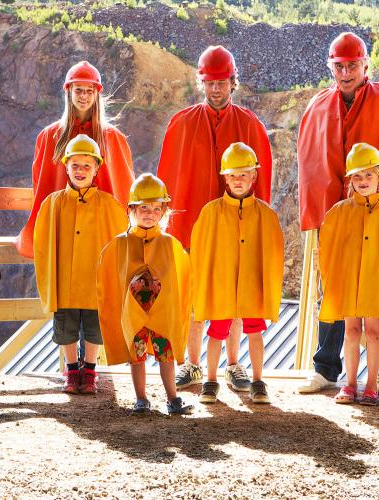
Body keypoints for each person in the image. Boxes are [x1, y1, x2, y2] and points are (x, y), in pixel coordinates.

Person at [296, 32, 379, 395]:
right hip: (340, 218)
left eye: (352, 65)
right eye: (339, 66)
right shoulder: (318, 106)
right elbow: (311, 165)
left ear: (366, 65)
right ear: (331, 67)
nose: (346, 72)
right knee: (336, 288)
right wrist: (319, 214)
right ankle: (325, 368)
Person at [156, 45, 274, 392]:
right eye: (210, 82)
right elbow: (168, 178)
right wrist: (168, 227)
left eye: (222, 82)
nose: (216, 89)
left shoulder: (250, 124)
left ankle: (234, 366)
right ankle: (191, 364)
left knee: (235, 298)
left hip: (238, 227)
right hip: (193, 227)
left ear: (233, 82)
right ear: (202, 83)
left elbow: (262, 182)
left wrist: (255, 228)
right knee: (196, 297)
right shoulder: (181, 123)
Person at [317, 143, 379, 405]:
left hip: (375, 283)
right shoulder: (339, 213)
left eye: (369, 174)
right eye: (357, 176)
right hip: (350, 281)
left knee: (373, 333)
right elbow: (329, 250)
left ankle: (371, 385)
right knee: (350, 331)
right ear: (350, 180)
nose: (363, 181)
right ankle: (350, 384)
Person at [33, 134, 128, 394]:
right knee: (66, 326)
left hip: (96, 282)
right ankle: (72, 370)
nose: (81, 170)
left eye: (87, 165)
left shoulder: (109, 205)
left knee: (95, 328)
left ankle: (90, 370)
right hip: (65, 280)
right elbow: (43, 245)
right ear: (66, 167)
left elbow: (121, 245)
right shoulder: (53, 203)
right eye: (75, 165)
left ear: (96, 168)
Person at [190, 143, 284, 404]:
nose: (238, 180)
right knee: (216, 332)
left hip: (251, 285)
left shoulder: (266, 214)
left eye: (243, 174)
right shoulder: (211, 212)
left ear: (254, 175)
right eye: (233, 175)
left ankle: (258, 381)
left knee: (255, 331)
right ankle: (210, 381)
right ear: (225, 178)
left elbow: (273, 254)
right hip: (221, 284)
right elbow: (201, 252)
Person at [97, 174, 194, 415]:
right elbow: (111, 282)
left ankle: (173, 399)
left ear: (163, 212)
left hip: (162, 315)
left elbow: (180, 282)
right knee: (136, 356)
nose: (150, 214)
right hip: (134, 316)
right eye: (144, 208)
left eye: (156, 209)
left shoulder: (170, 245)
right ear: (132, 209)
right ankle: (141, 400)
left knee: (166, 356)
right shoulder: (120, 245)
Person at [16, 60, 134, 259]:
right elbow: (42, 185)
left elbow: (124, 186)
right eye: (78, 90)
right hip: (63, 228)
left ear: (96, 94)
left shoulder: (113, 138)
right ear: (68, 91)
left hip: (100, 230)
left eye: (89, 91)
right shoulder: (49, 136)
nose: (83, 96)